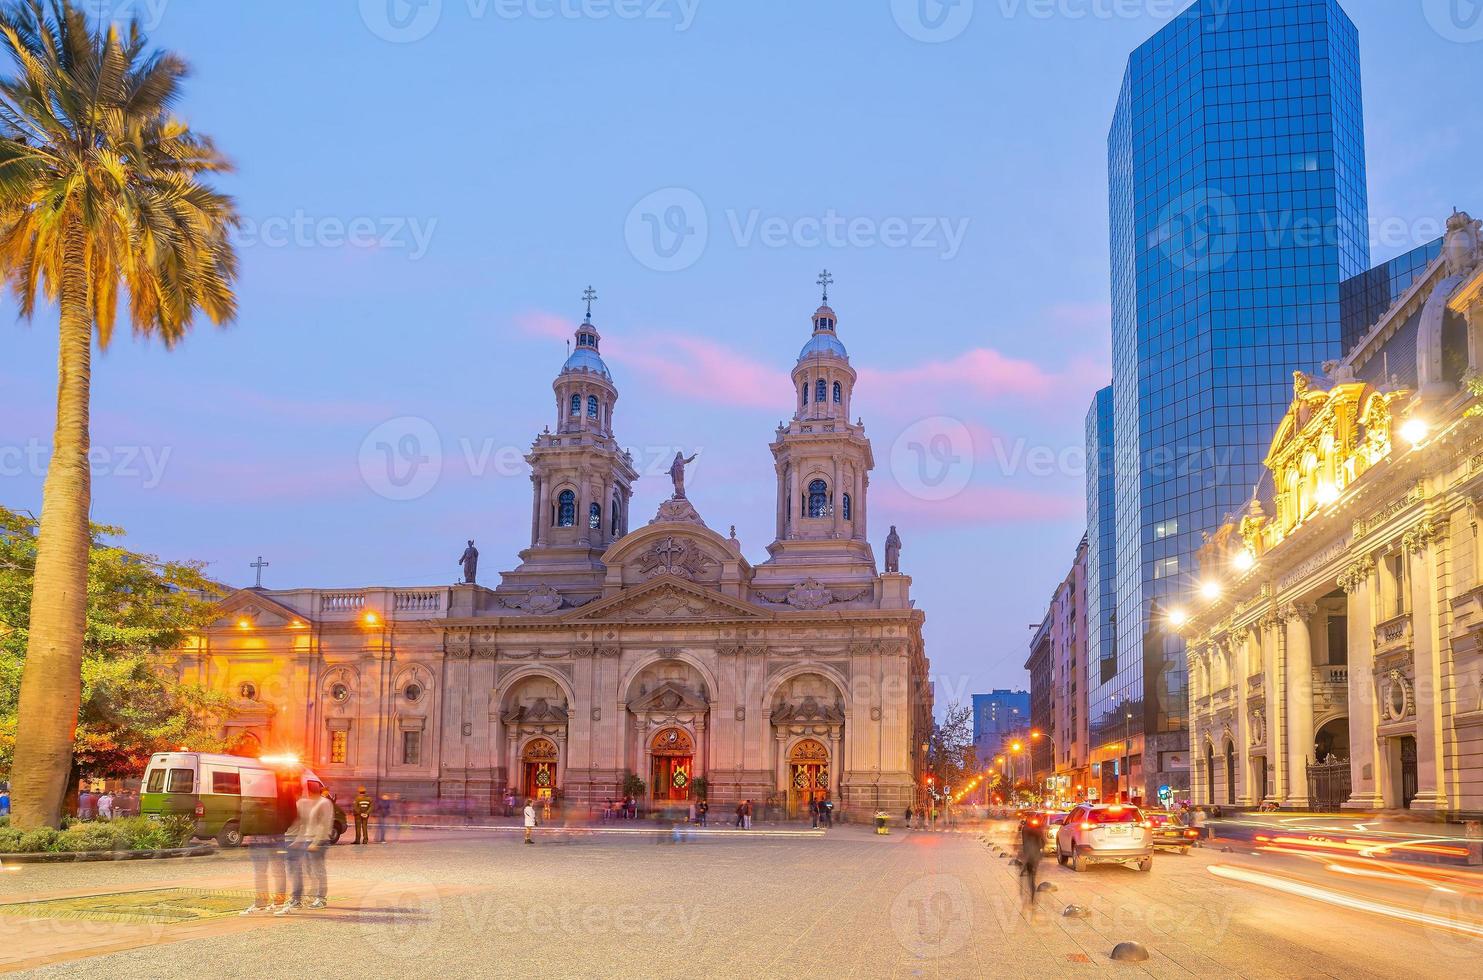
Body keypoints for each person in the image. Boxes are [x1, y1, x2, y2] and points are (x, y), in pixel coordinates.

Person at [278, 784, 334, 914]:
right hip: (309, 839)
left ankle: (321, 898)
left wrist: (316, 841)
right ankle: (313, 896)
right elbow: (305, 824)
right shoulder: (312, 803)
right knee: (310, 870)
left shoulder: (324, 803)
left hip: (319, 840)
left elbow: (324, 824)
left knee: (318, 869)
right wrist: (299, 840)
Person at [1019, 814, 1047, 915]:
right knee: (1032, 878)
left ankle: (1030, 898)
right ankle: (1032, 899)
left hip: (1029, 856)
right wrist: (1041, 851)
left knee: (1030, 878)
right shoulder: (1037, 829)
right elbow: (1044, 842)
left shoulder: (1025, 828)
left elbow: (1024, 842)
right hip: (1035, 856)